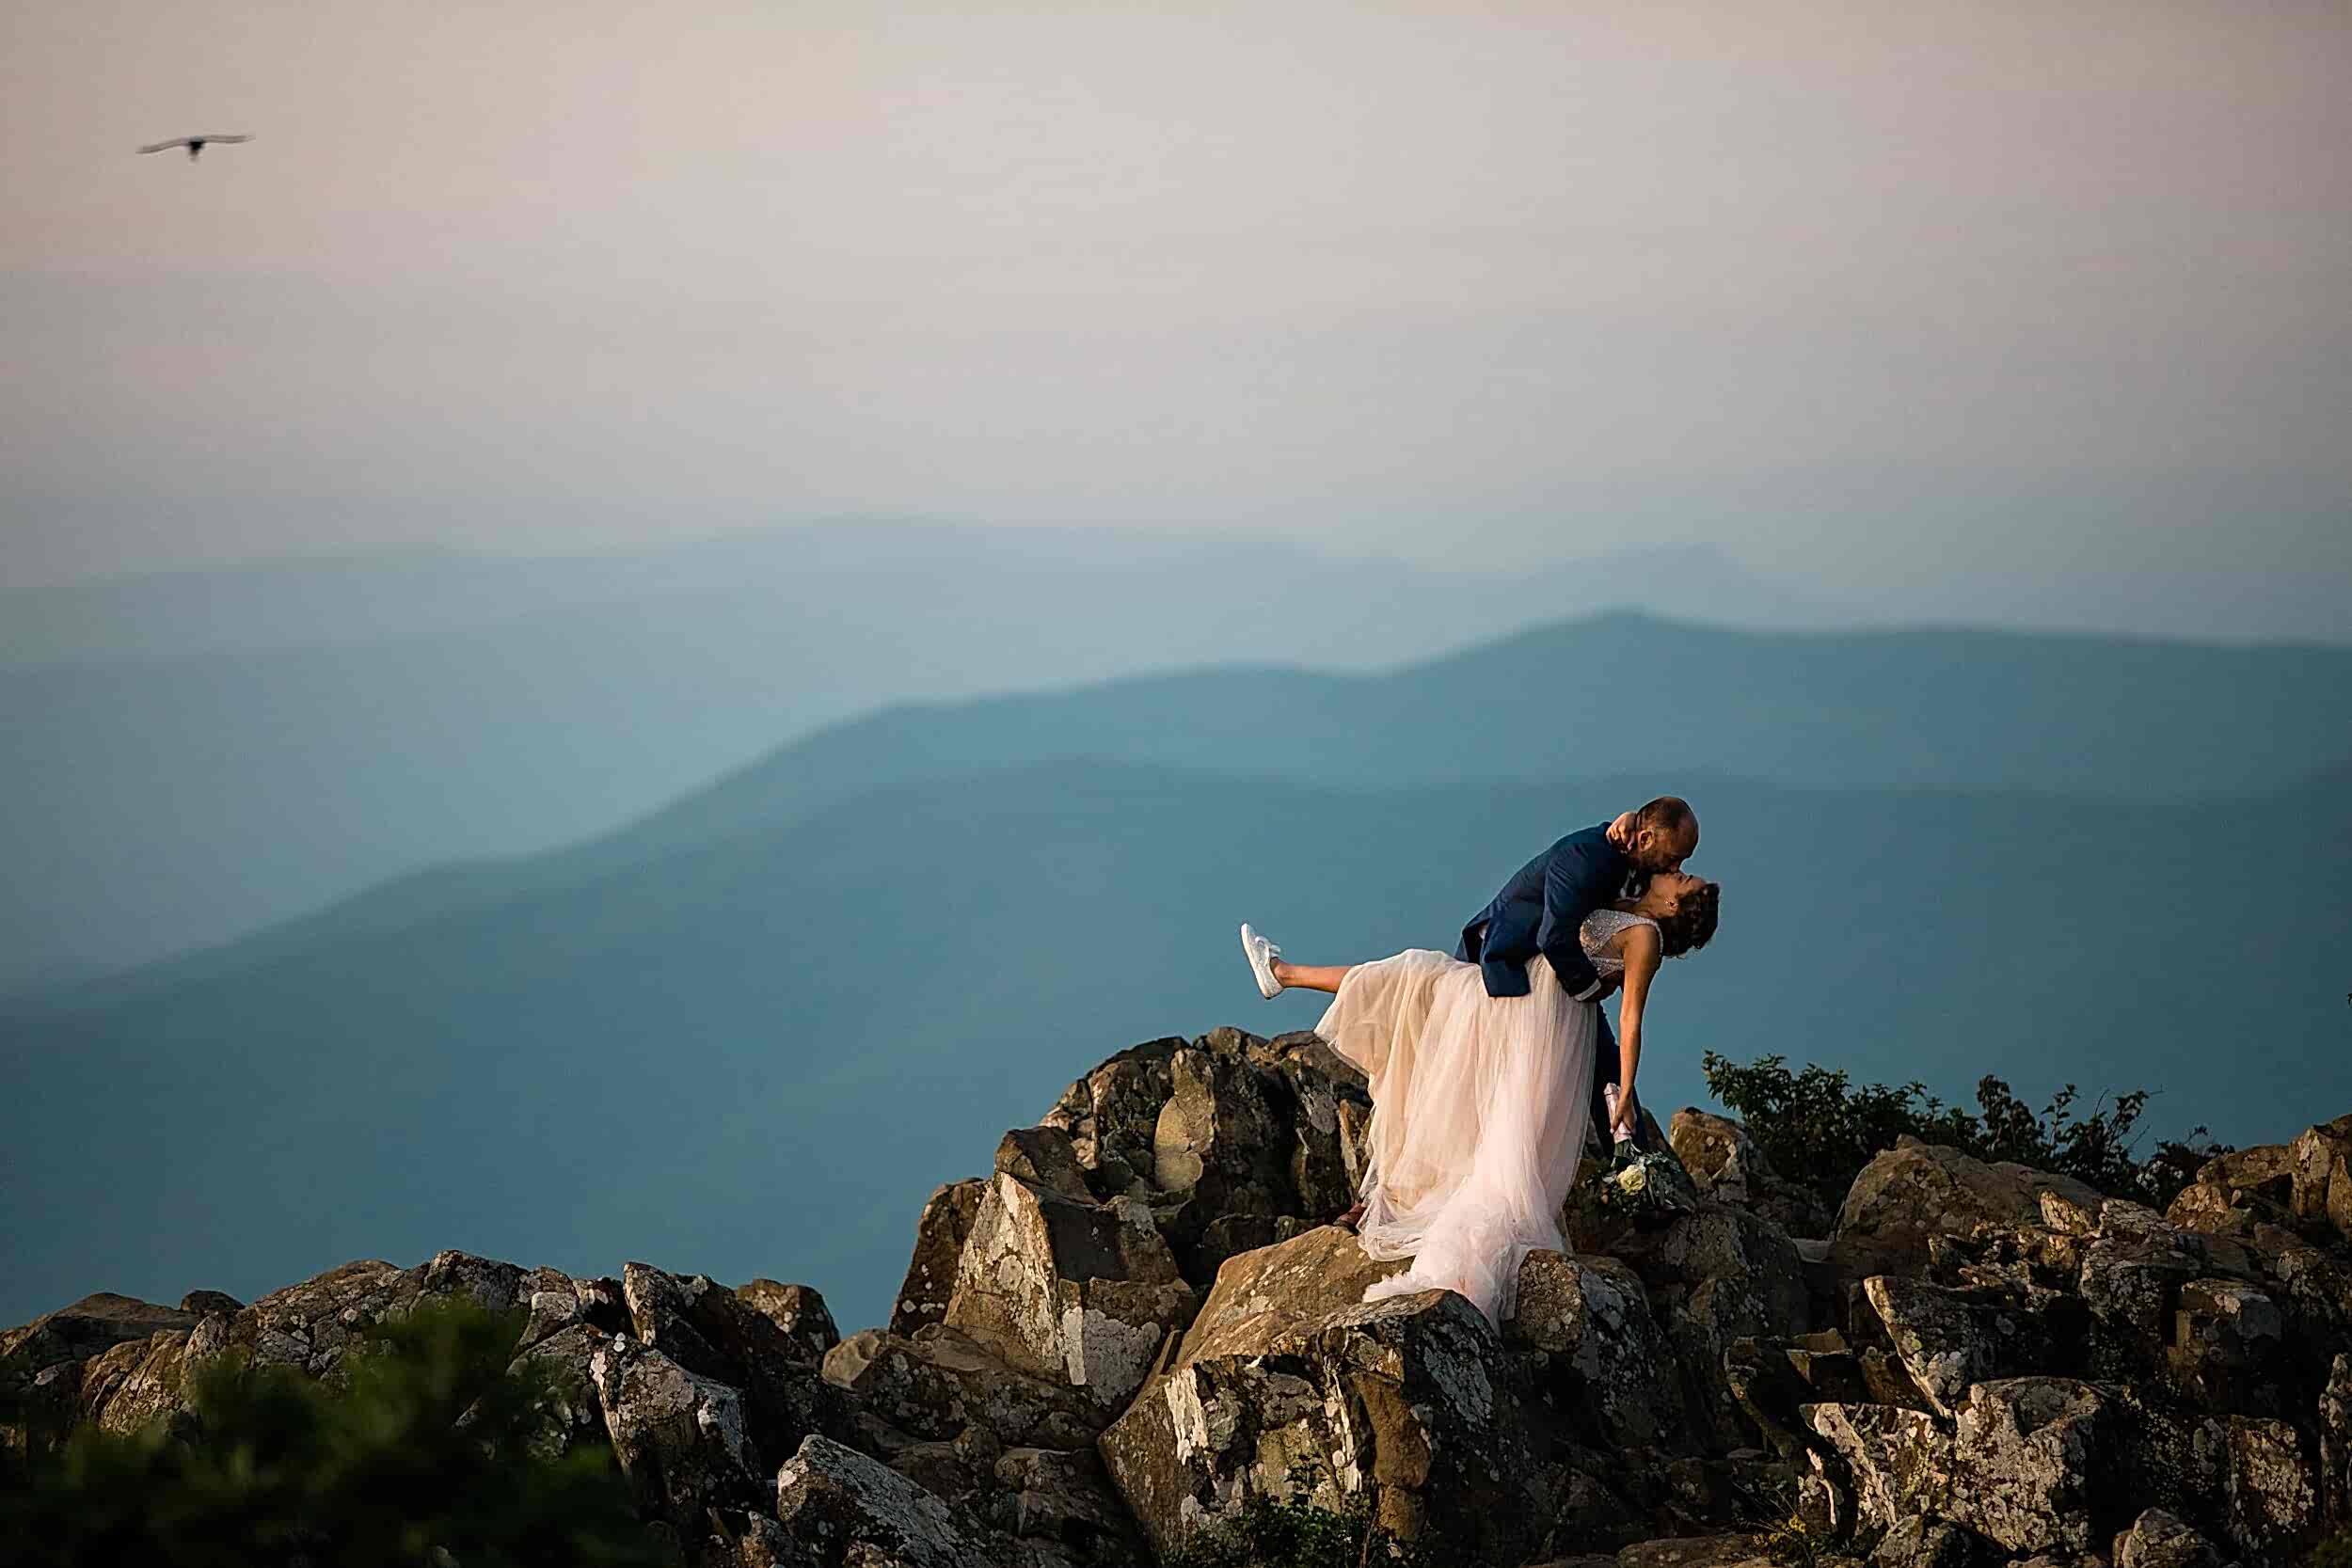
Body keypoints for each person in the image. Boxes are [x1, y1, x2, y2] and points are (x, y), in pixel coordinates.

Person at [1234, 801, 1716, 1329]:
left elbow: (1627, 1019)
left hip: (1538, 1009)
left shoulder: (1640, 927)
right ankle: (1283, 973)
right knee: (1410, 986)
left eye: (1684, 875)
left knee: (1416, 996)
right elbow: (1584, 904)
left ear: (1673, 909)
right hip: (1531, 998)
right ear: (1647, 838)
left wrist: (1623, 1086)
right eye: (1680, 862)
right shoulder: (1613, 869)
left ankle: (1283, 974)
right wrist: (1618, 822)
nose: (1678, 869)